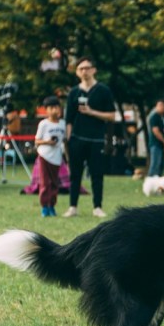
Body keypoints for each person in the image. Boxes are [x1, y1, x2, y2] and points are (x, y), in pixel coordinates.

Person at [63, 57, 119, 218]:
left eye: (87, 68)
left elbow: (112, 116)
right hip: (77, 139)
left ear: (94, 70)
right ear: (77, 72)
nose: (84, 71)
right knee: (75, 174)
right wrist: (68, 139)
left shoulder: (103, 90)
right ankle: (73, 206)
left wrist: (91, 112)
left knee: (97, 174)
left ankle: (97, 207)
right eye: (81, 69)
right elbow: (69, 119)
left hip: (96, 139)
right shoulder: (74, 92)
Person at [34, 95, 66, 217]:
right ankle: (44, 207)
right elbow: (37, 140)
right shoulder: (44, 124)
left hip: (56, 157)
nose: (54, 110)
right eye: (51, 107)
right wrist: (48, 142)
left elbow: (65, 140)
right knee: (44, 183)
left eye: (57, 107)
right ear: (46, 110)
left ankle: (52, 205)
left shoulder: (62, 124)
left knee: (54, 183)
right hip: (44, 156)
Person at [145, 98, 164, 178]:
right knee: (155, 164)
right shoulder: (154, 117)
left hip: (162, 145)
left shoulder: (162, 118)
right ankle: (150, 181)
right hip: (155, 144)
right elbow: (156, 131)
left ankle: (157, 182)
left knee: (161, 165)